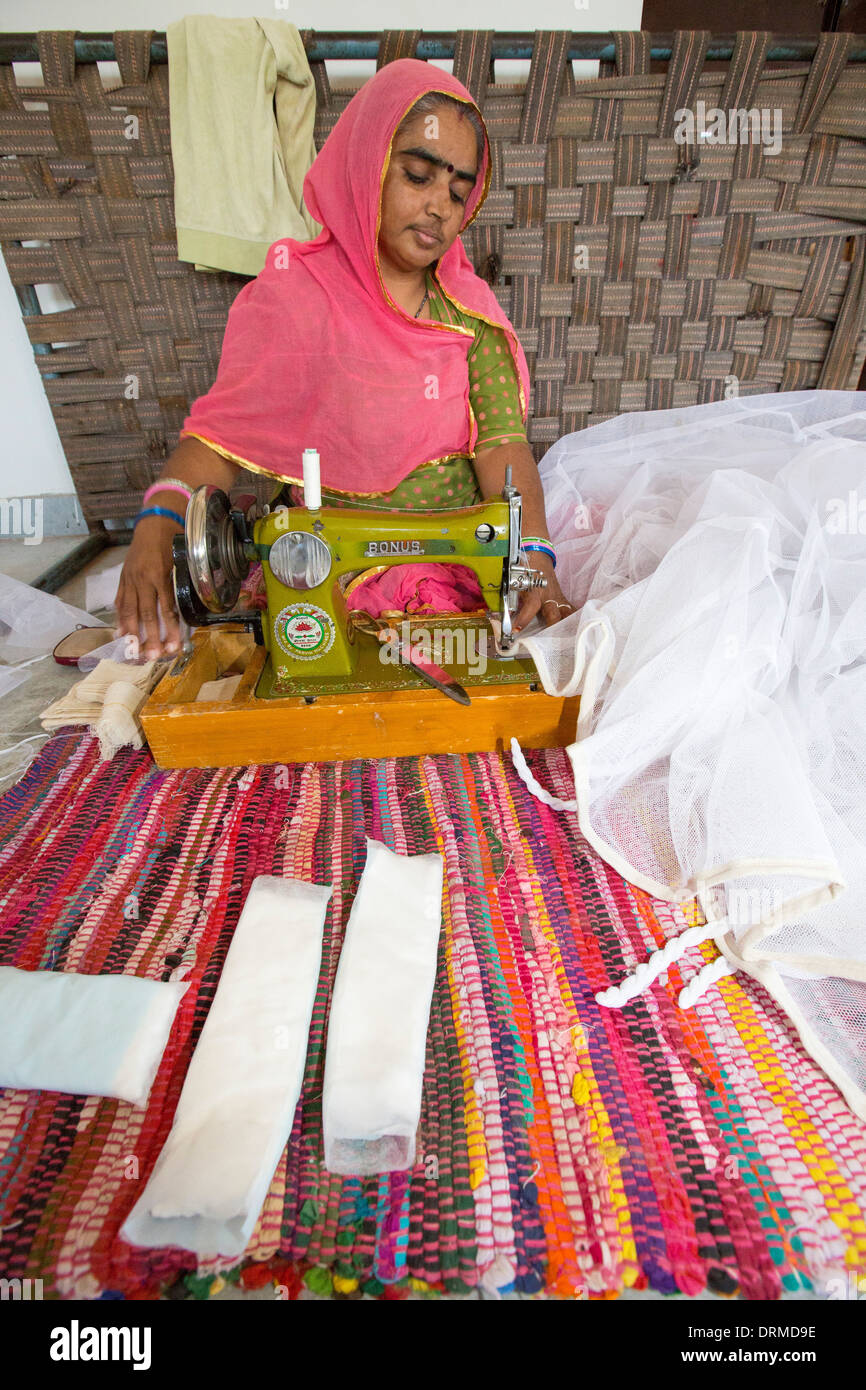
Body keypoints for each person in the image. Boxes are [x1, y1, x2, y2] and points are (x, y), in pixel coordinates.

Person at [116, 59, 574, 659]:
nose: (440, 206)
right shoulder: (293, 296)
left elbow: (502, 446)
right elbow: (220, 441)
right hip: (320, 565)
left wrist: (534, 552)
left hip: (447, 568)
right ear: (367, 165)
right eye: (417, 176)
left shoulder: (469, 317)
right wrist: (159, 521)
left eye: (459, 193)